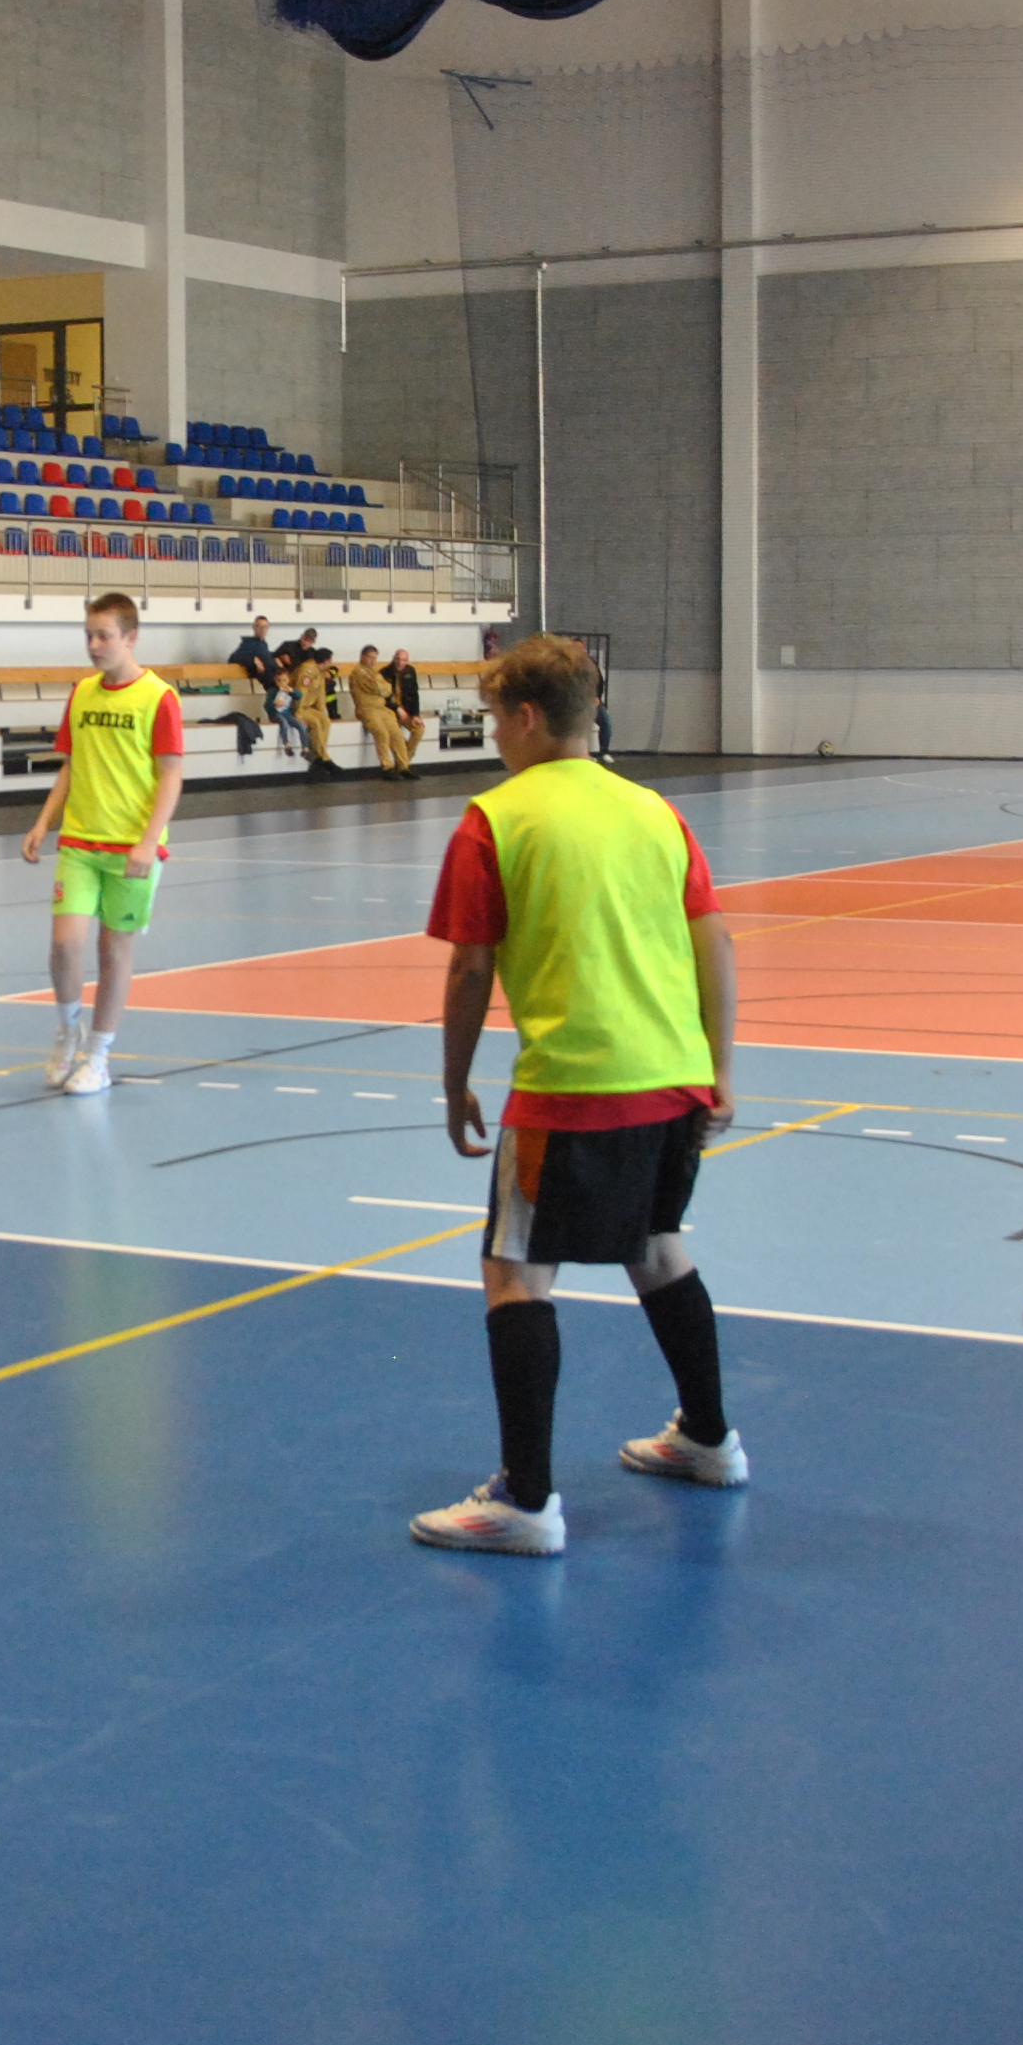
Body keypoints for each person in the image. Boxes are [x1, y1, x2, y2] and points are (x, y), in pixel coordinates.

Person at [409, 633, 744, 1557]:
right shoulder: (655, 811)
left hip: (573, 1086)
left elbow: (471, 967)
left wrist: (454, 1082)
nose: (493, 737)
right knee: (657, 1247)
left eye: (493, 718)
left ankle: (526, 1502)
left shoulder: (495, 818)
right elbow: (716, 942)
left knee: (515, 1273)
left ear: (525, 717)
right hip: (675, 1078)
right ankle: (709, 1438)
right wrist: (720, 1070)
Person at [20, 592, 186, 1100]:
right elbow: (71, 765)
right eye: (89, 635)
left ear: (130, 637)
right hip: (79, 841)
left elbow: (171, 776)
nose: (94, 645)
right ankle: (68, 1032)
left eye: (104, 636)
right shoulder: (82, 694)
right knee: (64, 943)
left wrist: (147, 842)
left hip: (131, 849)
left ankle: (98, 1055)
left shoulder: (158, 697)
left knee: (113, 951)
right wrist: (43, 822)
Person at [230, 614, 293, 758]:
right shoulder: (249, 644)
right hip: (271, 685)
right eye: (259, 627)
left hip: (278, 682)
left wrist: (277, 658)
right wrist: (253, 660)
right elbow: (233, 658)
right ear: (254, 627)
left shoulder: (263, 645)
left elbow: (266, 656)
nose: (262, 630)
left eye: (265, 627)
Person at [353, 642, 416, 780]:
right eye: (370, 657)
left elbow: (387, 689)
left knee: (396, 734)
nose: (373, 661)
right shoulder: (358, 672)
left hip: (382, 708)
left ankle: (403, 766)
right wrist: (383, 687)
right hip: (367, 709)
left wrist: (383, 687)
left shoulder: (374, 672)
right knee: (381, 733)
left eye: (375, 658)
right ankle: (387, 767)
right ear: (362, 656)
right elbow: (379, 688)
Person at [288, 630, 340, 776]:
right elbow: (300, 692)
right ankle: (325, 759)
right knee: (315, 724)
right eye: (330, 661)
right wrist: (297, 713)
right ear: (325, 661)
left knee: (325, 721)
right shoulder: (308, 670)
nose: (331, 664)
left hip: (309, 707)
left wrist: (322, 711)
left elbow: (320, 694)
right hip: (298, 707)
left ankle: (317, 759)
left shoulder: (319, 671)